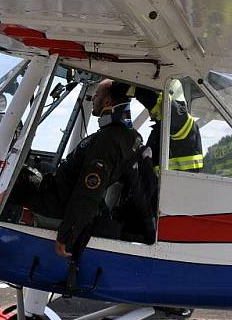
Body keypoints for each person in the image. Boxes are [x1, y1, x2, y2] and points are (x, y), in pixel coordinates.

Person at [11, 79, 151, 257]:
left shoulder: (107, 141)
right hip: (63, 193)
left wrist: (67, 235)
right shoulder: (129, 136)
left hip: (59, 201)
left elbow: (88, 191)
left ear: (108, 102)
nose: (93, 98)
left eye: (97, 95)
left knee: (14, 178)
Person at [133, 81, 203, 173]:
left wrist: (132, 87)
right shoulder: (159, 131)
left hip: (175, 186)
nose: (150, 110)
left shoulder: (184, 123)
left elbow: (165, 107)